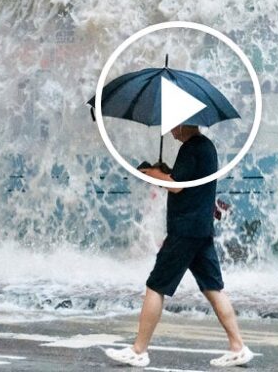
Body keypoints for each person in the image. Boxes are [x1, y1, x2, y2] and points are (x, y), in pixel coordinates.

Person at [105, 124, 254, 368]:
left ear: (185, 123)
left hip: (184, 231)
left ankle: (138, 351)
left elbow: (177, 186)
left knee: (156, 285)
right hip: (201, 230)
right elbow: (186, 181)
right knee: (213, 287)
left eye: (174, 126)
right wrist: (165, 172)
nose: (171, 131)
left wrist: (155, 174)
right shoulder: (206, 147)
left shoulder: (192, 148)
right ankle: (238, 347)